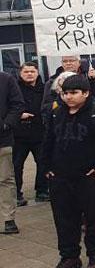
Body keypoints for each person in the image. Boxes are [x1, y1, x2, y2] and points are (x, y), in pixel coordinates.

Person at [44, 74, 95, 268]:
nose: (69, 97)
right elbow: (48, 141)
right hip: (60, 176)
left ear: (85, 93)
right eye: (65, 93)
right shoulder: (56, 114)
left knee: (94, 216)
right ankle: (69, 256)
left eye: (74, 93)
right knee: (64, 218)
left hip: (90, 176)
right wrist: (47, 167)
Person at [13, 63, 46, 205]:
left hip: (40, 133)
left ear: (37, 73)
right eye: (26, 72)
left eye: (32, 71)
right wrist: (19, 115)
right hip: (19, 134)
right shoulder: (14, 89)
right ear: (20, 73)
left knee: (43, 162)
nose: (29, 74)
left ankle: (42, 191)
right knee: (16, 165)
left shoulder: (44, 88)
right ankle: (16, 194)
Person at [0, 65, 22, 234]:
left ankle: (8, 219)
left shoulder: (6, 79)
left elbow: (17, 104)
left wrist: (6, 125)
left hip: (2, 140)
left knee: (5, 180)